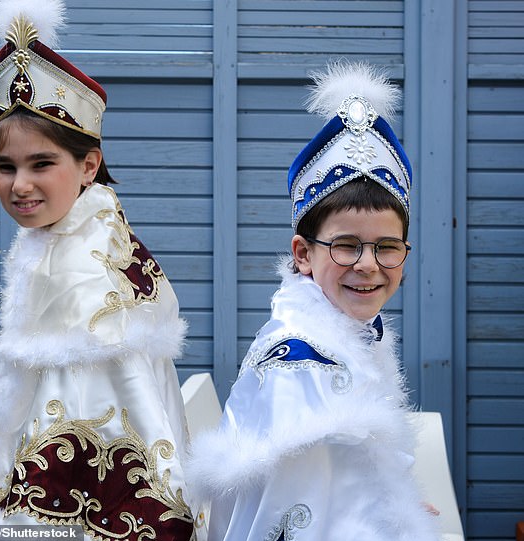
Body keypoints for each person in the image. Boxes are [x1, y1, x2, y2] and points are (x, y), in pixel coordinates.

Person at [0, 1, 205, 540]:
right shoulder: (73, 241)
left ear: (88, 165)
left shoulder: (87, 270)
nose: (19, 184)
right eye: (6, 166)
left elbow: (106, 425)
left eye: (41, 163)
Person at [187, 62, 441, 541]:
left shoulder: (348, 330)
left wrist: (396, 506)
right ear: (303, 253)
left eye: (387, 247)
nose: (368, 265)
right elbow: (295, 517)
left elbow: (350, 482)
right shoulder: (304, 368)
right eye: (346, 245)